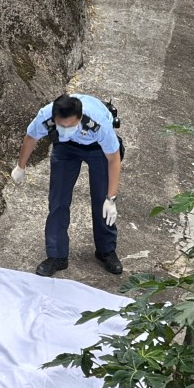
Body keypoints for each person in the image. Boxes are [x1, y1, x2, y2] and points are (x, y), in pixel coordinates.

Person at [11, 93, 123, 276]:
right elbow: (30, 138)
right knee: (58, 201)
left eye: (70, 125)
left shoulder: (98, 122)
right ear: (54, 118)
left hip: (97, 149)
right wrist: (20, 167)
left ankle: (106, 250)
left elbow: (113, 159)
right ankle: (57, 256)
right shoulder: (45, 116)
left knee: (101, 202)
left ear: (79, 119)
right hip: (65, 148)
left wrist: (111, 198)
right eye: (61, 125)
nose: (65, 127)